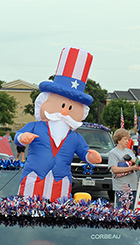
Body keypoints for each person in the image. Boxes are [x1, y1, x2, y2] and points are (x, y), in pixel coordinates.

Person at [15, 46, 101, 200]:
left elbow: (84, 153)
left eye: (70, 108)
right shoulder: (36, 126)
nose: (65, 111)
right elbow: (18, 136)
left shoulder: (75, 137)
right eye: (62, 106)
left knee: (59, 208)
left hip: (60, 181)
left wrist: (91, 157)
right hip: (34, 177)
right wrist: (22, 138)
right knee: (29, 207)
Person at [108, 128, 140, 207]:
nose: (127, 141)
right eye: (125, 139)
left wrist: (138, 165)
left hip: (133, 186)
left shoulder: (130, 151)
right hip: (122, 187)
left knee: (131, 210)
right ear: (118, 140)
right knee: (123, 210)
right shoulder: (113, 153)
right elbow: (114, 169)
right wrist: (131, 168)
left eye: (128, 139)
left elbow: (135, 165)